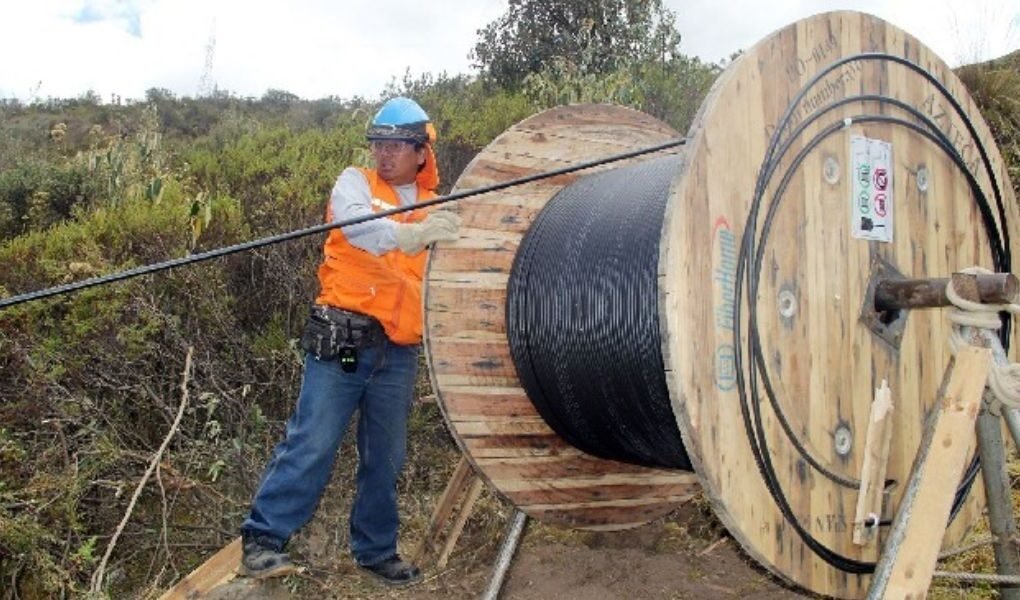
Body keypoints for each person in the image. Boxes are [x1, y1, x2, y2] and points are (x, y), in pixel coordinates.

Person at [238, 97, 461, 587]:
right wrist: (411, 235)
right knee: (313, 439)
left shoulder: (438, 210)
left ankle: (375, 551)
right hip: (343, 341)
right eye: (378, 144)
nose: (384, 154)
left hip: (397, 353)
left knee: (386, 455)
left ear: (422, 151)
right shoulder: (355, 182)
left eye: (396, 145)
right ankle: (263, 540)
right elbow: (355, 226)